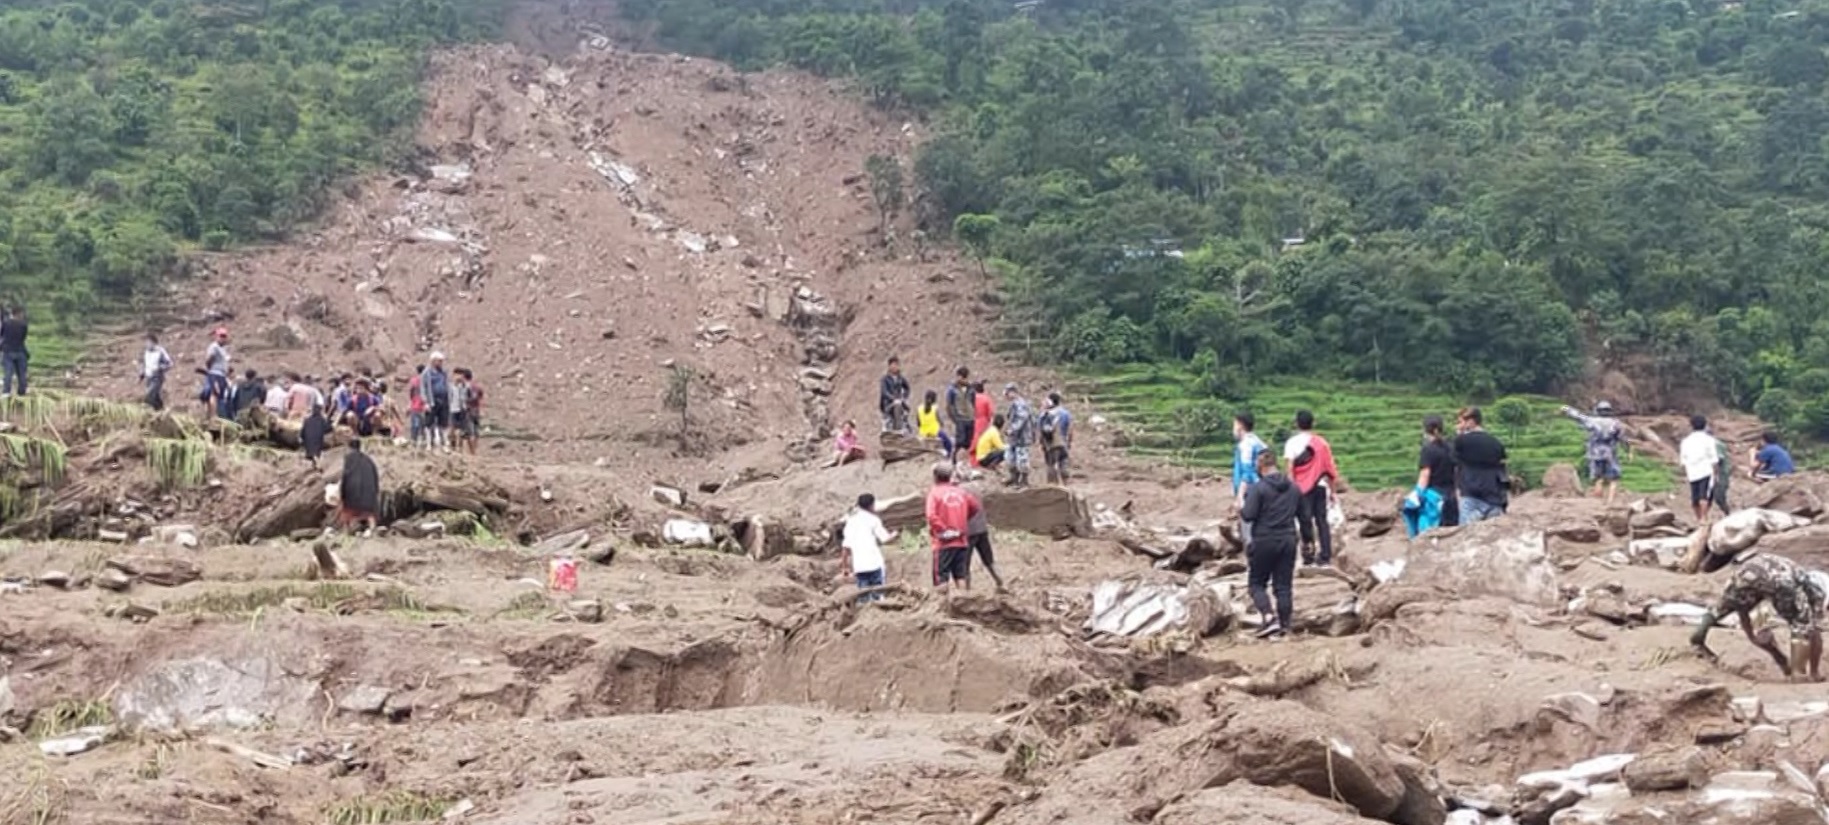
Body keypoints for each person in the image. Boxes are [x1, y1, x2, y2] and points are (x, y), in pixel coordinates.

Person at [1691, 554, 1828, 682]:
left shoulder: (1799, 574)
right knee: (1802, 624)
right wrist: (1815, 671)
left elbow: (1742, 609)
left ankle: (1698, 636)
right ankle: (1801, 673)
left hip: (1747, 572)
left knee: (1723, 607)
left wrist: (1751, 636)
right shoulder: (1817, 591)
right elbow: (1813, 630)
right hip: (1780, 580)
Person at [1240, 449, 1300, 639]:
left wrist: (1241, 503)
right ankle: (1286, 626)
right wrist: (1308, 541)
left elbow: (1248, 515)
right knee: (1283, 586)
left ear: (1262, 465)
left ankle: (1268, 617)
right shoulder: (1293, 488)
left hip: (1265, 539)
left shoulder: (1258, 488)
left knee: (1256, 583)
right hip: (1289, 539)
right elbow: (1304, 517)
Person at [1283, 410, 1340, 568]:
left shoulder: (1292, 443)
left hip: (1301, 489)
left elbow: (1290, 470)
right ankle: (1325, 556)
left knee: (1304, 522)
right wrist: (1333, 492)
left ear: (1296, 423)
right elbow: (1330, 469)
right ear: (1312, 423)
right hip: (1320, 486)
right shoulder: (1322, 443)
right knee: (1322, 521)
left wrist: (1290, 491)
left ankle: (1309, 556)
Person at [925, 461, 980, 594]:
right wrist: (962, 519)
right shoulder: (960, 492)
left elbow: (931, 516)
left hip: (943, 543)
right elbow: (975, 507)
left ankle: (943, 608)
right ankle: (965, 603)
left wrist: (943, 529)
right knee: (960, 576)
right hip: (961, 540)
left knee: (941, 577)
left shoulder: (934, 493)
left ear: (935, 476)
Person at [1560, 401, 1626, 506]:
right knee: (1613, 479)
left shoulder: (1592, 421)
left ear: (1598, 411)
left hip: (1595, 453)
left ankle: (1598, 503)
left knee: (1598, 478)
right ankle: (1610, 502)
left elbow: (1578, 416)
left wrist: (1566, 409)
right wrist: (1627, 449)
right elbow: (1622, 439)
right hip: (1610, 453)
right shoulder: (1616, 423)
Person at [1453, 407, 1510, 524]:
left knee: (1466, 536)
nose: (1457, 426)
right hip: (1494, 496)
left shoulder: (1461, 441)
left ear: (1471, 422)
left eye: (1460, 422)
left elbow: (1454, 461)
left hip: (1471, 496)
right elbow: (1502, 467)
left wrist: (1459, 435)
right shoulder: (1496, 443)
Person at [841, 493, 896, 604]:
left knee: (863, 596)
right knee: (879, 595)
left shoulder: (850, 522)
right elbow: (885, 539)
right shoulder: (873, 520)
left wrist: (845, 567)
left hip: (860, 566)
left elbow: (845, 548)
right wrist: (894, 535)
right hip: (875, 563)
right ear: (872, 505)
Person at [1406, 415, 1454, 536]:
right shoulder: (1451, 446)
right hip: (1451, 495)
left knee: (1429, 530)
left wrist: (1417, 493)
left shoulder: (1428, 449)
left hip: (1435, 495)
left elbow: (1425, 474)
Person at [1680, 415, 1720, 525]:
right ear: (1705, 425)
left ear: (1691, 426)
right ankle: (1704, 518)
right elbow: (1714, 459)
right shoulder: (1709, 440)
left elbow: (1683, 460)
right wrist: (1716, 473)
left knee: (1695, 497)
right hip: (1705, 471)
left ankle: (1699, 520)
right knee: (1704, 496)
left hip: (1692, 472)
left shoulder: (1685, 441)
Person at [338, 438, 381, 536]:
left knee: (347, 512)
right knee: (369, 514)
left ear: (349, 447)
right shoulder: (368, 460)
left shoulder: (349, 459)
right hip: (369, 493)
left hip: (353, 492)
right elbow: (375, 476)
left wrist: (342, 492)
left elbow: (346, 476)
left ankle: (346, 531)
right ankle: (372, 529)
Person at [966, 488, 1005, 591]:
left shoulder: (958, 493)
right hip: (982, 528)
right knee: (989, 560)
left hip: (967, 532)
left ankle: (966, 591)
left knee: (964, 564)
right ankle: (1001, 583)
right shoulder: (976, 489)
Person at [1002, 383, 1036, 487]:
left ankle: (1024, 480)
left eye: (1008, 393)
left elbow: (1021, 419)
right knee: (1011, 457)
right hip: (1014, 438)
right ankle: (1014, 478)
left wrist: (1011, 430)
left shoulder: (1020, 404)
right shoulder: (1014, 404)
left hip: (1022, 437)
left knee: (1022, 458)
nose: (1006, 396)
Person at [420, 352, 453, 452]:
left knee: (443, 423)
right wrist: (425, 402)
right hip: (432, 401)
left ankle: (445, 444)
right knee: (429, 423)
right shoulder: (426, 373)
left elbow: (447, 384)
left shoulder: (444, 372)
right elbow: (423, 388)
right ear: (433, 361)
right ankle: (429, 444)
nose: (441, 363)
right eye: (439, 361)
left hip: (443, 400)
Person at [1039, 392, 1073, 484]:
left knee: (1051, 464)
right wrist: (1069, 442)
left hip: (1050, 444)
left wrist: (1042, 443)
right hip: (1063, 442)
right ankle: (1066, 485)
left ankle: (1053, 487)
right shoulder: (1066, 413)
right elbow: (1070, 430)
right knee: (1064, 463)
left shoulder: (1045, 414)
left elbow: (1040, 429)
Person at [200, 327, 232, 419]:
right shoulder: (214, 346)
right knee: (214, 393)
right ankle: (213, 415)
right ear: (217, 336)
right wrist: (209, 368)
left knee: (219, 395)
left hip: (221, 374)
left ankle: (216, 414)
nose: (223, 338)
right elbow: (210, 358)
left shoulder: (223, 349)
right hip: (215, 373)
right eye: (221, 336)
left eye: (224, 336)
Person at [946, 368, 976, 466]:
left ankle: (965, 462)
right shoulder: (952, 389)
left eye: (965, 378)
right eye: (962, 377)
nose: (964, 380)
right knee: (960, 441)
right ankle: (954, 461)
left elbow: (973, 402)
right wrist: (954, 418)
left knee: (968, 442)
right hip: (960, 418)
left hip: (970, 418)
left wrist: (973, 414)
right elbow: (949, 405)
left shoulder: (971, 389)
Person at [139, 334, 173, 411]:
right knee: (156, 397)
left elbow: (170, 363)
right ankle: (160, 410)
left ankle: (145, 410)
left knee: (150, 394)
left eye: (148, 342)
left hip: (157, 377)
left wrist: (160, 368)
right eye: (146, 343)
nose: (147, 344)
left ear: (154, 342)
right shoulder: (146, 352)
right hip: (148, 377)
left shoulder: (160, 351)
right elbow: (143, 363)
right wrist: (141, 373)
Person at [879, 356, 911, 434]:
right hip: (888, 403)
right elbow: (884, 392)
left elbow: (907, 388)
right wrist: (893, 398)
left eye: (896, 365)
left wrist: (904, 397)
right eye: (893, 365)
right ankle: (890, 425)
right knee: (897, 405)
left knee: (903, 408)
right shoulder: (885, 379)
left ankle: (902, 426)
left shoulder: (900, 378)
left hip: (899, 401)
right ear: (889, 366)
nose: (895, 367)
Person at [917, 389, 953, 457]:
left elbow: (918, 423)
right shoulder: (934, 408)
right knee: (949, 444)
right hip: (935, 432)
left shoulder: (919, 408)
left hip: (923, 432)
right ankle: (947, 457)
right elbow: (940, 423)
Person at [0, 306, 28, 396]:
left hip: (8, 351)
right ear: (19, 314)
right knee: (21, 373)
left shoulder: (6, 323)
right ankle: (22, 392)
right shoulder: (24, 325)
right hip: (20, 350)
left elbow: (2, 335)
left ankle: (6, 392)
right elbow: (23, 338)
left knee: (8, 372)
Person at [457, 368, 483, 455]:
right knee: (475, 432)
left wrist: (466, 402)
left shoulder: (465, 387)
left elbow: (467, 398)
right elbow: (480, 395)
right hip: (476, 410)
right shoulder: (477, 386)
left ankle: (471, 452)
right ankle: (474, 450)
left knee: (468, 432)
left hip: (468, 410)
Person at [971, 380, 994, 464]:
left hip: (972, 420)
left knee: (973, 441)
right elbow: (991, 413)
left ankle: (973, 461)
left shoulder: (970, 398)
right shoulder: (986, 398)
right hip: (983, 421)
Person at [301, 402, 329, 470]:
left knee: (312, 454)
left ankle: (314, 466)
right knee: (316, 454)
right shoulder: (322, 420)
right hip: (317, 442)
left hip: (308, 443)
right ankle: (317, 465)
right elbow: (327, 429)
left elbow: (302, 433)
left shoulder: (307, 420)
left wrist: (302, 440)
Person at [406, 365, 428, 448]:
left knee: (415, 425)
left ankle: (413, 443)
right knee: (424, 426)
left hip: (415, 405)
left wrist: (410, 403)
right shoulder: (426, 381)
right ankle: (423, 443)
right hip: (423, 406)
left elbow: (411, 394)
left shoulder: (414, 380)